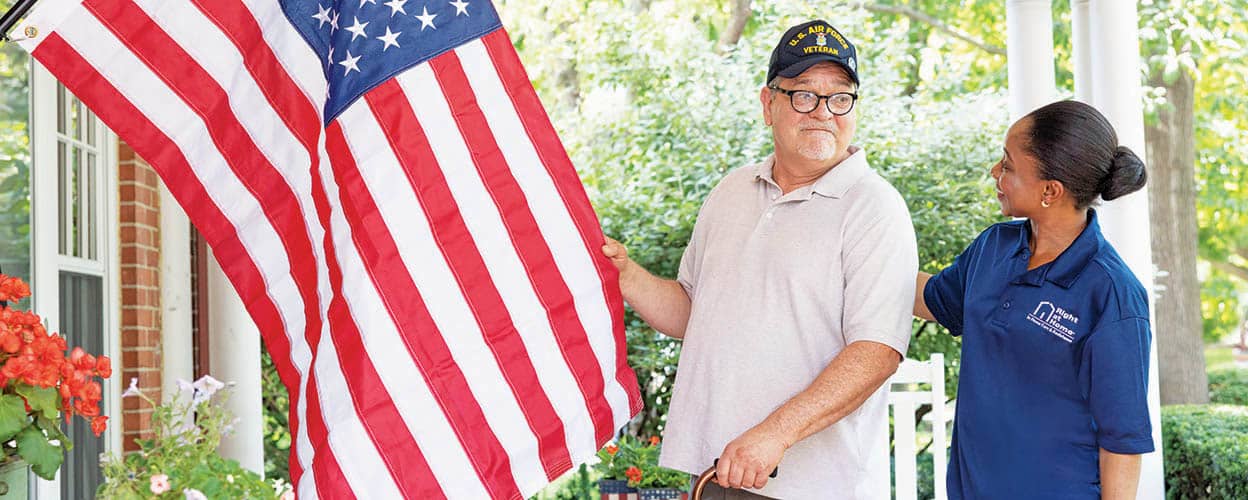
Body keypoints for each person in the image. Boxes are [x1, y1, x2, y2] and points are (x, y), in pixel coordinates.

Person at [603, 20, 918, 499]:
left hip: (814, 486)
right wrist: (626, 275)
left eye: (840, 96)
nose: (824, 112)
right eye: (804, 95)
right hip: (715, 472)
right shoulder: (733, 190)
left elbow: (876, 352)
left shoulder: (874, 207)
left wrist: (774, 435)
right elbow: (693, 311)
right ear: (768, 104)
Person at [914, 100, 1153, 499]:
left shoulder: (1111, 293)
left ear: (1050, 190)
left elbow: (1122, 441)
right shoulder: (994, 246)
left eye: (1007, 166)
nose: (995, 172)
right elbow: (931, 298)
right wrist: (852, 263)